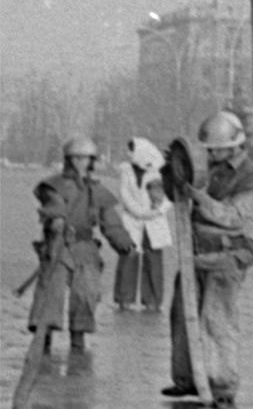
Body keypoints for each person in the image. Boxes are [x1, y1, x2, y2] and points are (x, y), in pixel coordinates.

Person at [163, 110, 253, 408]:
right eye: (209, 150)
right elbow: (176, 192)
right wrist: (173, 172)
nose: (212, 154)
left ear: (235, 145)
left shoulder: (250, 177)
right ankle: (187, 378)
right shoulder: (208, 167)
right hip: (194, 252)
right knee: (182, 314)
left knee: (217, 320)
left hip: (227, 255)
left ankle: (222, 385)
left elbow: (232, 218)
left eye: (217, 149)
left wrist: (199, 197)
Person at [28, 136, 135, 355]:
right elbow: (53, 206)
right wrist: (56, 219)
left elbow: (110, 222)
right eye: (76, 158)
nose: (80, 162)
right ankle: (43, 340)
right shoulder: (53, 185)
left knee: (85, 295)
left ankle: (78, 341)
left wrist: (124, 244)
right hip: (59, 245)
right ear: (68, 159)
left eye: (85, 158)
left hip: (85, 248)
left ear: (92, 161)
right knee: (51, 293)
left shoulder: (97, 190)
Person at [113, 137, 172, 312]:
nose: (128, 154)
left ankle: (152, 300)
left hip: (155, 221)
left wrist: (158, 211)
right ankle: (125, 299)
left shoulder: (160, 170)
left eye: (132, 150)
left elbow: (169, 197)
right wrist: (138, 212)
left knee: (153, 259)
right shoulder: (126, 170)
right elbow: (124, 194)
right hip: (133, 219)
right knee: (129, 256)